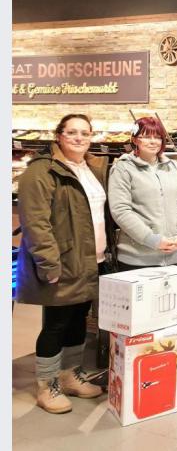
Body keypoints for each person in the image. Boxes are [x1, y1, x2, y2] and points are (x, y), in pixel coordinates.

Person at [17, 114, 107, 413]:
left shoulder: (92, 169)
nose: (79, 138)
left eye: (84, 132)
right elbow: (36, 223)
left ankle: (70, 375)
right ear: (59, 136)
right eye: (72, 132)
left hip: (90, 259)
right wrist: (48, 264)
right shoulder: (41, 172)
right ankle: (46, 385)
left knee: (78, 319)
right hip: (63, 261)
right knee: (56, 324)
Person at [108, 117, 177, 271]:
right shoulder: (122, 168)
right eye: (147, 136)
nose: (153, 141)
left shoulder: (175, 168)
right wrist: (152, 240)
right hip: (137, 259)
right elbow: (120, 211)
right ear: (135, 140)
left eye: (157, 137)